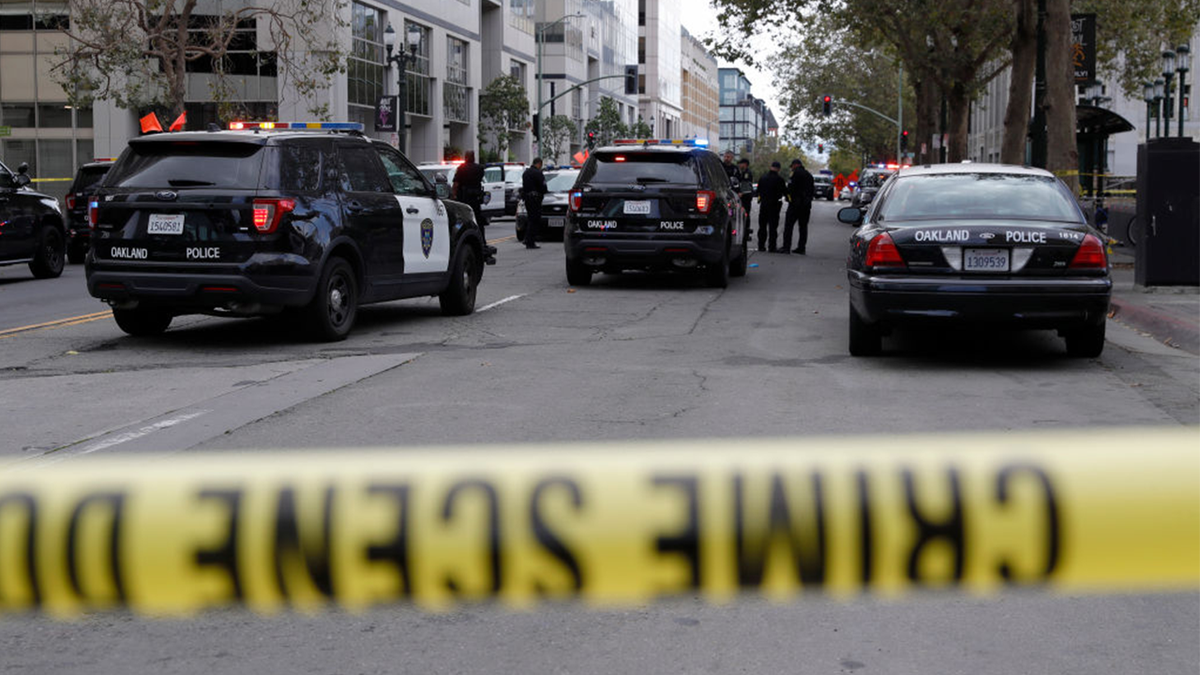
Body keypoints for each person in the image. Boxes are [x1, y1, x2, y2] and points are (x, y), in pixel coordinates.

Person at [781, 158, 814, 254]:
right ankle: (801, 247)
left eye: (792, 166)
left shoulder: (795, 174)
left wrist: (788, 197)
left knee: (789, 226)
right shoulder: (809, 175)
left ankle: (786, 247)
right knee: (803, 227)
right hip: (806, 205)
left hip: (795, 204)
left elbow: (791, 188)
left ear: (795, 165)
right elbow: (811, 190)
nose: (791, 168)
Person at [754, 161, 787, 252]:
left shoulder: (763, 178)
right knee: (773, 227)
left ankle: (761, 246)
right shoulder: (780, 179)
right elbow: (785, 192)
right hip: (775, 205)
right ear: (778, 169)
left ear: (771, 167)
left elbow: (758, 191)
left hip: (764, 204)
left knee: (762, 226)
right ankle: (772, 246)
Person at [452, 150, 487, 233]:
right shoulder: (479, 168)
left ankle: (458, 234)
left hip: (464, 198)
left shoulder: (461, 168)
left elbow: (456, 184)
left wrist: (454, 196)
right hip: (476, 198)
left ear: (466, 157)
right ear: (474, 157)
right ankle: (481, 238)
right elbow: (480, 180)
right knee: (478, 218)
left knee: (461, 218)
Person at [520, 157, 548, 249]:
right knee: (535, 220)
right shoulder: (538, 173)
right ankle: (530, 241)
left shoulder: (526, 173)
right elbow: (543, 187)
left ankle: (527, 238)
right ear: (539, 164)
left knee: (530, 219)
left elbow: (524, 187)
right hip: (535, 199)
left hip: (527, 198)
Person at [735, 158, 755, 240]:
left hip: (746, 196)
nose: (739, 165)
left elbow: (745, 184)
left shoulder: (747, 173)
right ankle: (743, 231)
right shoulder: (740, 172)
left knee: (745, 214)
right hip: (742, 196)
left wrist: (741, 192)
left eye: (741, 164)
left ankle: (746, 232)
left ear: (745, 164)